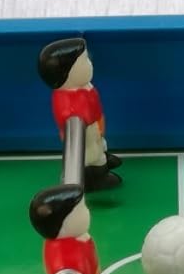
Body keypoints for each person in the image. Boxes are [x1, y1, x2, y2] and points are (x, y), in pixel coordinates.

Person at [37, 37, 122, 191]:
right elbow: (70, 117)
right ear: (66, 72)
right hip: (85, 133)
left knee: (98, 146)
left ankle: (103, 162)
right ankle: (95, 176)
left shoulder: (85, 87)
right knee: (89, 155)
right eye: (84, 62)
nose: (90, 64)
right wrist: (82, 121)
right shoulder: (65, 98)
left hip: (95, 126)